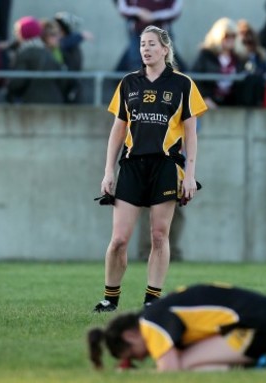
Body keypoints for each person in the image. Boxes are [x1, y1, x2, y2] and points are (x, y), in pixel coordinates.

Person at [93, 25, 207, 312]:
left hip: (166, 166)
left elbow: (191, 134)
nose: (145, 48)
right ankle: (110, 298)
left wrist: (190, 175)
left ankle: (152, 299)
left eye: (152, 44)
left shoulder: (183, 84)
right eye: (142, 44)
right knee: (119, 240)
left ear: (165, 49)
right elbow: (117, 131)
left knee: (159, 236)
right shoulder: (129, 83)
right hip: (131, 166)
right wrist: (108, 170)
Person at [87, 283, 266, 371]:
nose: (141, 359)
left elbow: (171, 371)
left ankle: (265, 361)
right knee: (189, 358)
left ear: (130, 335)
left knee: (184, 363)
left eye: (133, 354)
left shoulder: (149, 322)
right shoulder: (160, 311)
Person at [5, 16, 66, 104]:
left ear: (23, 33)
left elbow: (18, 81)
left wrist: (8, 88)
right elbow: (62, 80)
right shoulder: (47, 51)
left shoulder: (25, 52)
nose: (16, 34)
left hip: (33, 104)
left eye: (17, 31)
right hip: (55, 102)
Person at [114, 0, 186, 71]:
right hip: (138, 33)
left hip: (161, 33)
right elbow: (123, 7)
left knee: (169, 62)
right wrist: (139, 12)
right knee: (135, 62)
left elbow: (175, 10)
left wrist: (154, 16)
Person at [191, 18, 247, 108]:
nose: (230, 39)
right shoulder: (206, 55)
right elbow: (194, 79)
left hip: (231, 105)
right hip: (208, 103)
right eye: (227, 36)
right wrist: (204, 98)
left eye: (233, 36)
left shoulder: (239, 58)